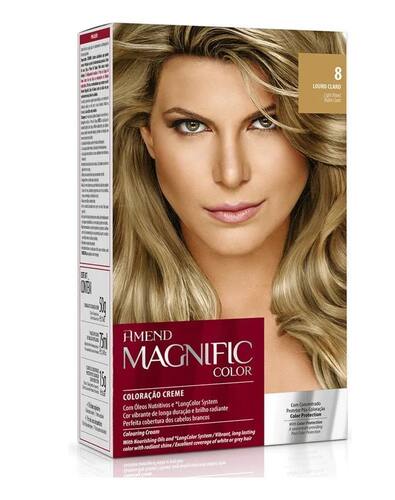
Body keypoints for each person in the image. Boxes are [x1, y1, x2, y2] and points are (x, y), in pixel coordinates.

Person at [112, 24, 346, 392]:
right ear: (149, 138)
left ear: (314, 132)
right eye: (192, 126)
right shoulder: (106, 329)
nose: (232, 174)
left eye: (265, 122)